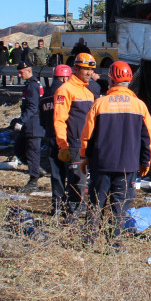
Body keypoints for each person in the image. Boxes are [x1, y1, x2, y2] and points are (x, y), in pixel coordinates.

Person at [79, 61, 151, 246]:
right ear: (129, 82)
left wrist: (85, 157)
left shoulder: (100, 103)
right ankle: (115, 244)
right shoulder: (139, 106)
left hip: (101, 164)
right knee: (119, 206)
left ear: (110, 80)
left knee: (96, 202)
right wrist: (145, 162)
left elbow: (87, 135)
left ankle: (89, 240)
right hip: (128, 166)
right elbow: (148, 138)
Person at [52, 52, 98, 219]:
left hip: (88, 147)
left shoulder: (88, 92)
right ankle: (72, 220)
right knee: (76, 185)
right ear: (76, 69)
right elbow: (59, 119)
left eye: (91, 70)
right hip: (73, 146)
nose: (89, 73)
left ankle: (81, 215)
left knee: (86, 185)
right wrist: (63, 146)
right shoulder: (65, 90)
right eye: (86, 69)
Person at [39, 64, 71, 211]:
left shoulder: (45, 96)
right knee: (71, 174)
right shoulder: (65, 94)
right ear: (65, 78)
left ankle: (57, 206)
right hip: (65, 139)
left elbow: (42, 120)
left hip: (51, 138)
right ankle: (70, 207)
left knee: (56, 174)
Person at [14, 62, 46, 193]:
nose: (19, 75)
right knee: (19, 148)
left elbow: (32, 107)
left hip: (34, 125)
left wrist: (21, 121)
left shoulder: (32, 85)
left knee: (32, 153)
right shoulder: (31, 84)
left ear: (28, 71)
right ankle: (37, 170)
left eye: (21, 72)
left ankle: (33, 180)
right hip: (30, 125)